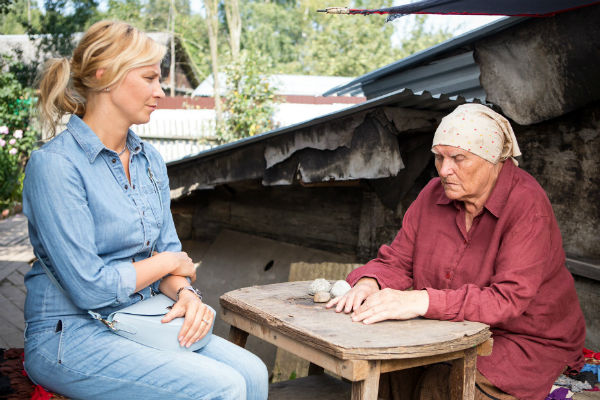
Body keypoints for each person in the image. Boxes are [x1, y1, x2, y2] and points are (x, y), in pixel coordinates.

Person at [22, 20, 268, 400]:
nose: (161, 90)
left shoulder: (149, 159)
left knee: (253, 372)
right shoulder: (55, 165)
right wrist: (169, 261)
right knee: (224, 387)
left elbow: (168, 255)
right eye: (150, 77)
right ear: (105, 77)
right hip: (68, 332)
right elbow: (91, 286)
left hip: (139, 316)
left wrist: (186, 294)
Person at [327, 104, 586, 400]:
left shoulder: (527, 205)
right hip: (453, 329)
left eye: (458, 158)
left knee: (442, 384)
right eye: (439, 157)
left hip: (526, 339)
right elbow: (398, 260)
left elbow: (507, 299)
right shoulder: (433, 193)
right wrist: (370, 282)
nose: (445, 170)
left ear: (492, 161)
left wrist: (422, 300)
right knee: (388, 368)